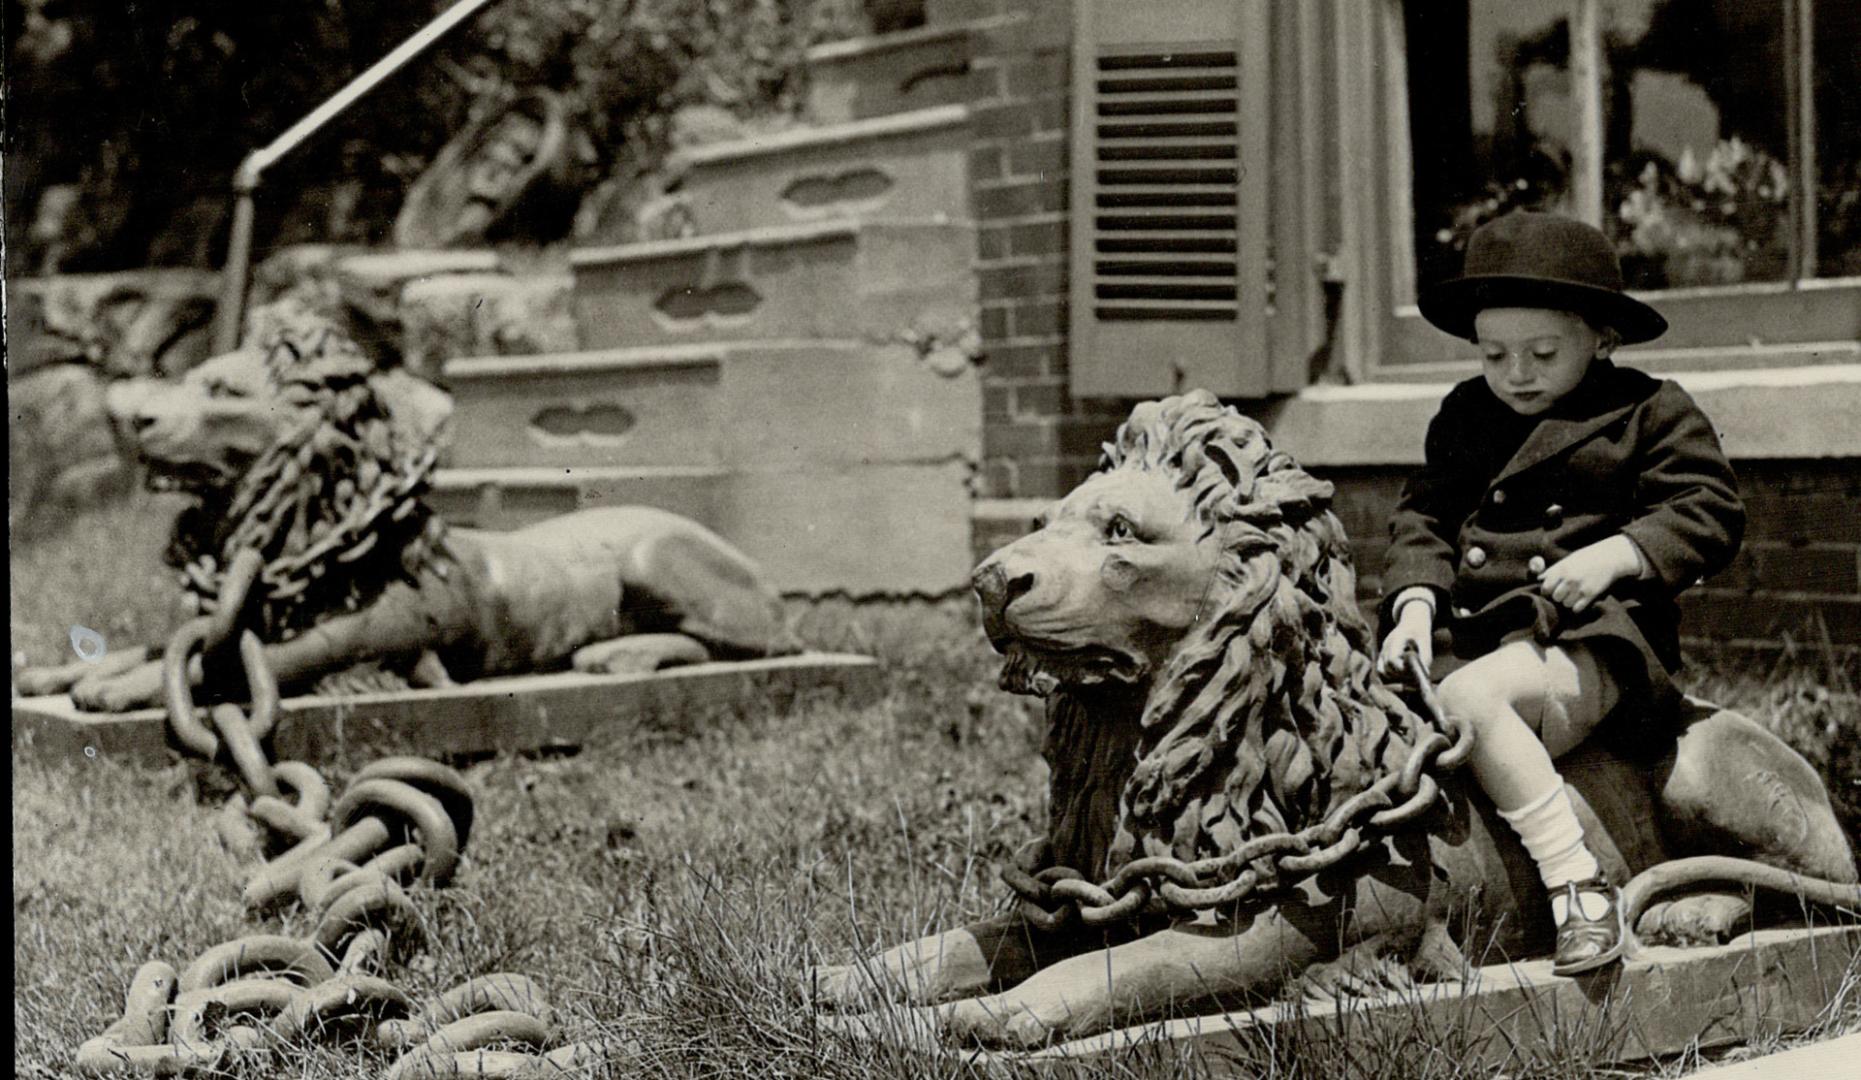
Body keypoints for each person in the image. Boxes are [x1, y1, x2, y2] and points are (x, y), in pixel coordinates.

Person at [1375, 211, 1744, 975]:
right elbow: (1424, 517)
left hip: (1588, 644)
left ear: (1601, 338)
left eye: (1541, 353)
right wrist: (1413, 606)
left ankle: (1575, 885)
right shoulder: (1465, 417)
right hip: (1473, 637)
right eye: (1493, 354)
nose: (1515, 373)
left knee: (1472, 703)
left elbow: (1709, 510)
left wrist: (1621, 553)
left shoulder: (1647, 410)